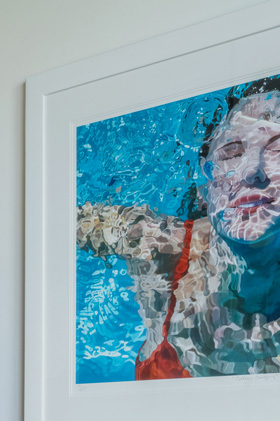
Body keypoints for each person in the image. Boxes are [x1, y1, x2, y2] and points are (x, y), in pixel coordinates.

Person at [77, 78, 280, 378]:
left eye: (277, 147)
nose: (252, 169)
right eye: (231, 152)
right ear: (204, 186)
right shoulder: (158, 246)